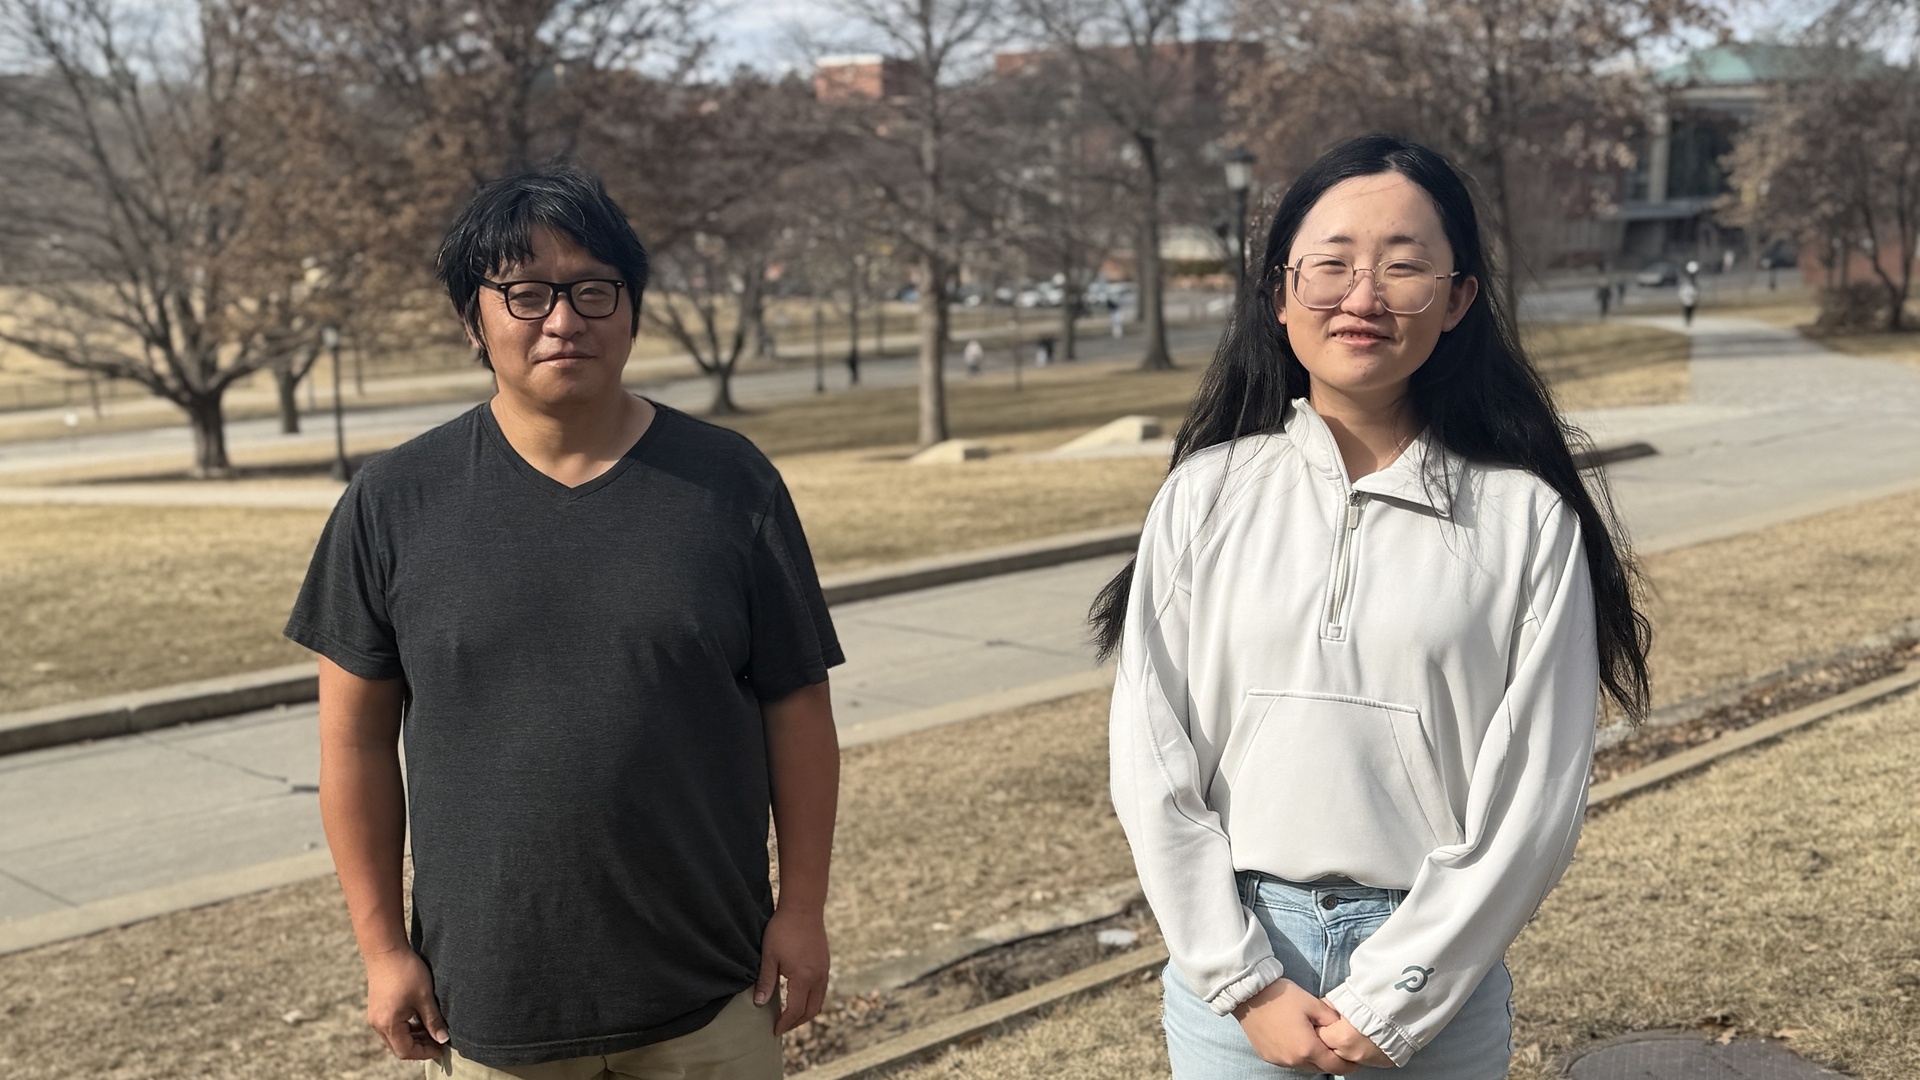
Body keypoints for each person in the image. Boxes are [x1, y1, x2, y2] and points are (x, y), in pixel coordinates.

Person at [1093, 135, 1650, 1078]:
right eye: (1332, 264)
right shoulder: (1205, 495)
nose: (1363, 296)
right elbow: (1150, 756)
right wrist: (1244, 981)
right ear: (1279, 292)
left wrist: (1400, 994)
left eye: (1403, 266)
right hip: (1239, 969)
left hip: (1437, 975)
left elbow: (1535, 793)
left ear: (1459, 299)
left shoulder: (1523, 517)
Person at [286, 164, 844, 1079]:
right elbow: (352, 749)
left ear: (631, 308)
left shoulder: (731, 484)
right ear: (475, 320)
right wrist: (385, 952)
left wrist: (804, 910)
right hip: (494, 996)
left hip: (713, 987)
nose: (563, 319)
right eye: (524, 293)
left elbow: (799, 712)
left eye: (593, 290)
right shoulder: (392, 502)